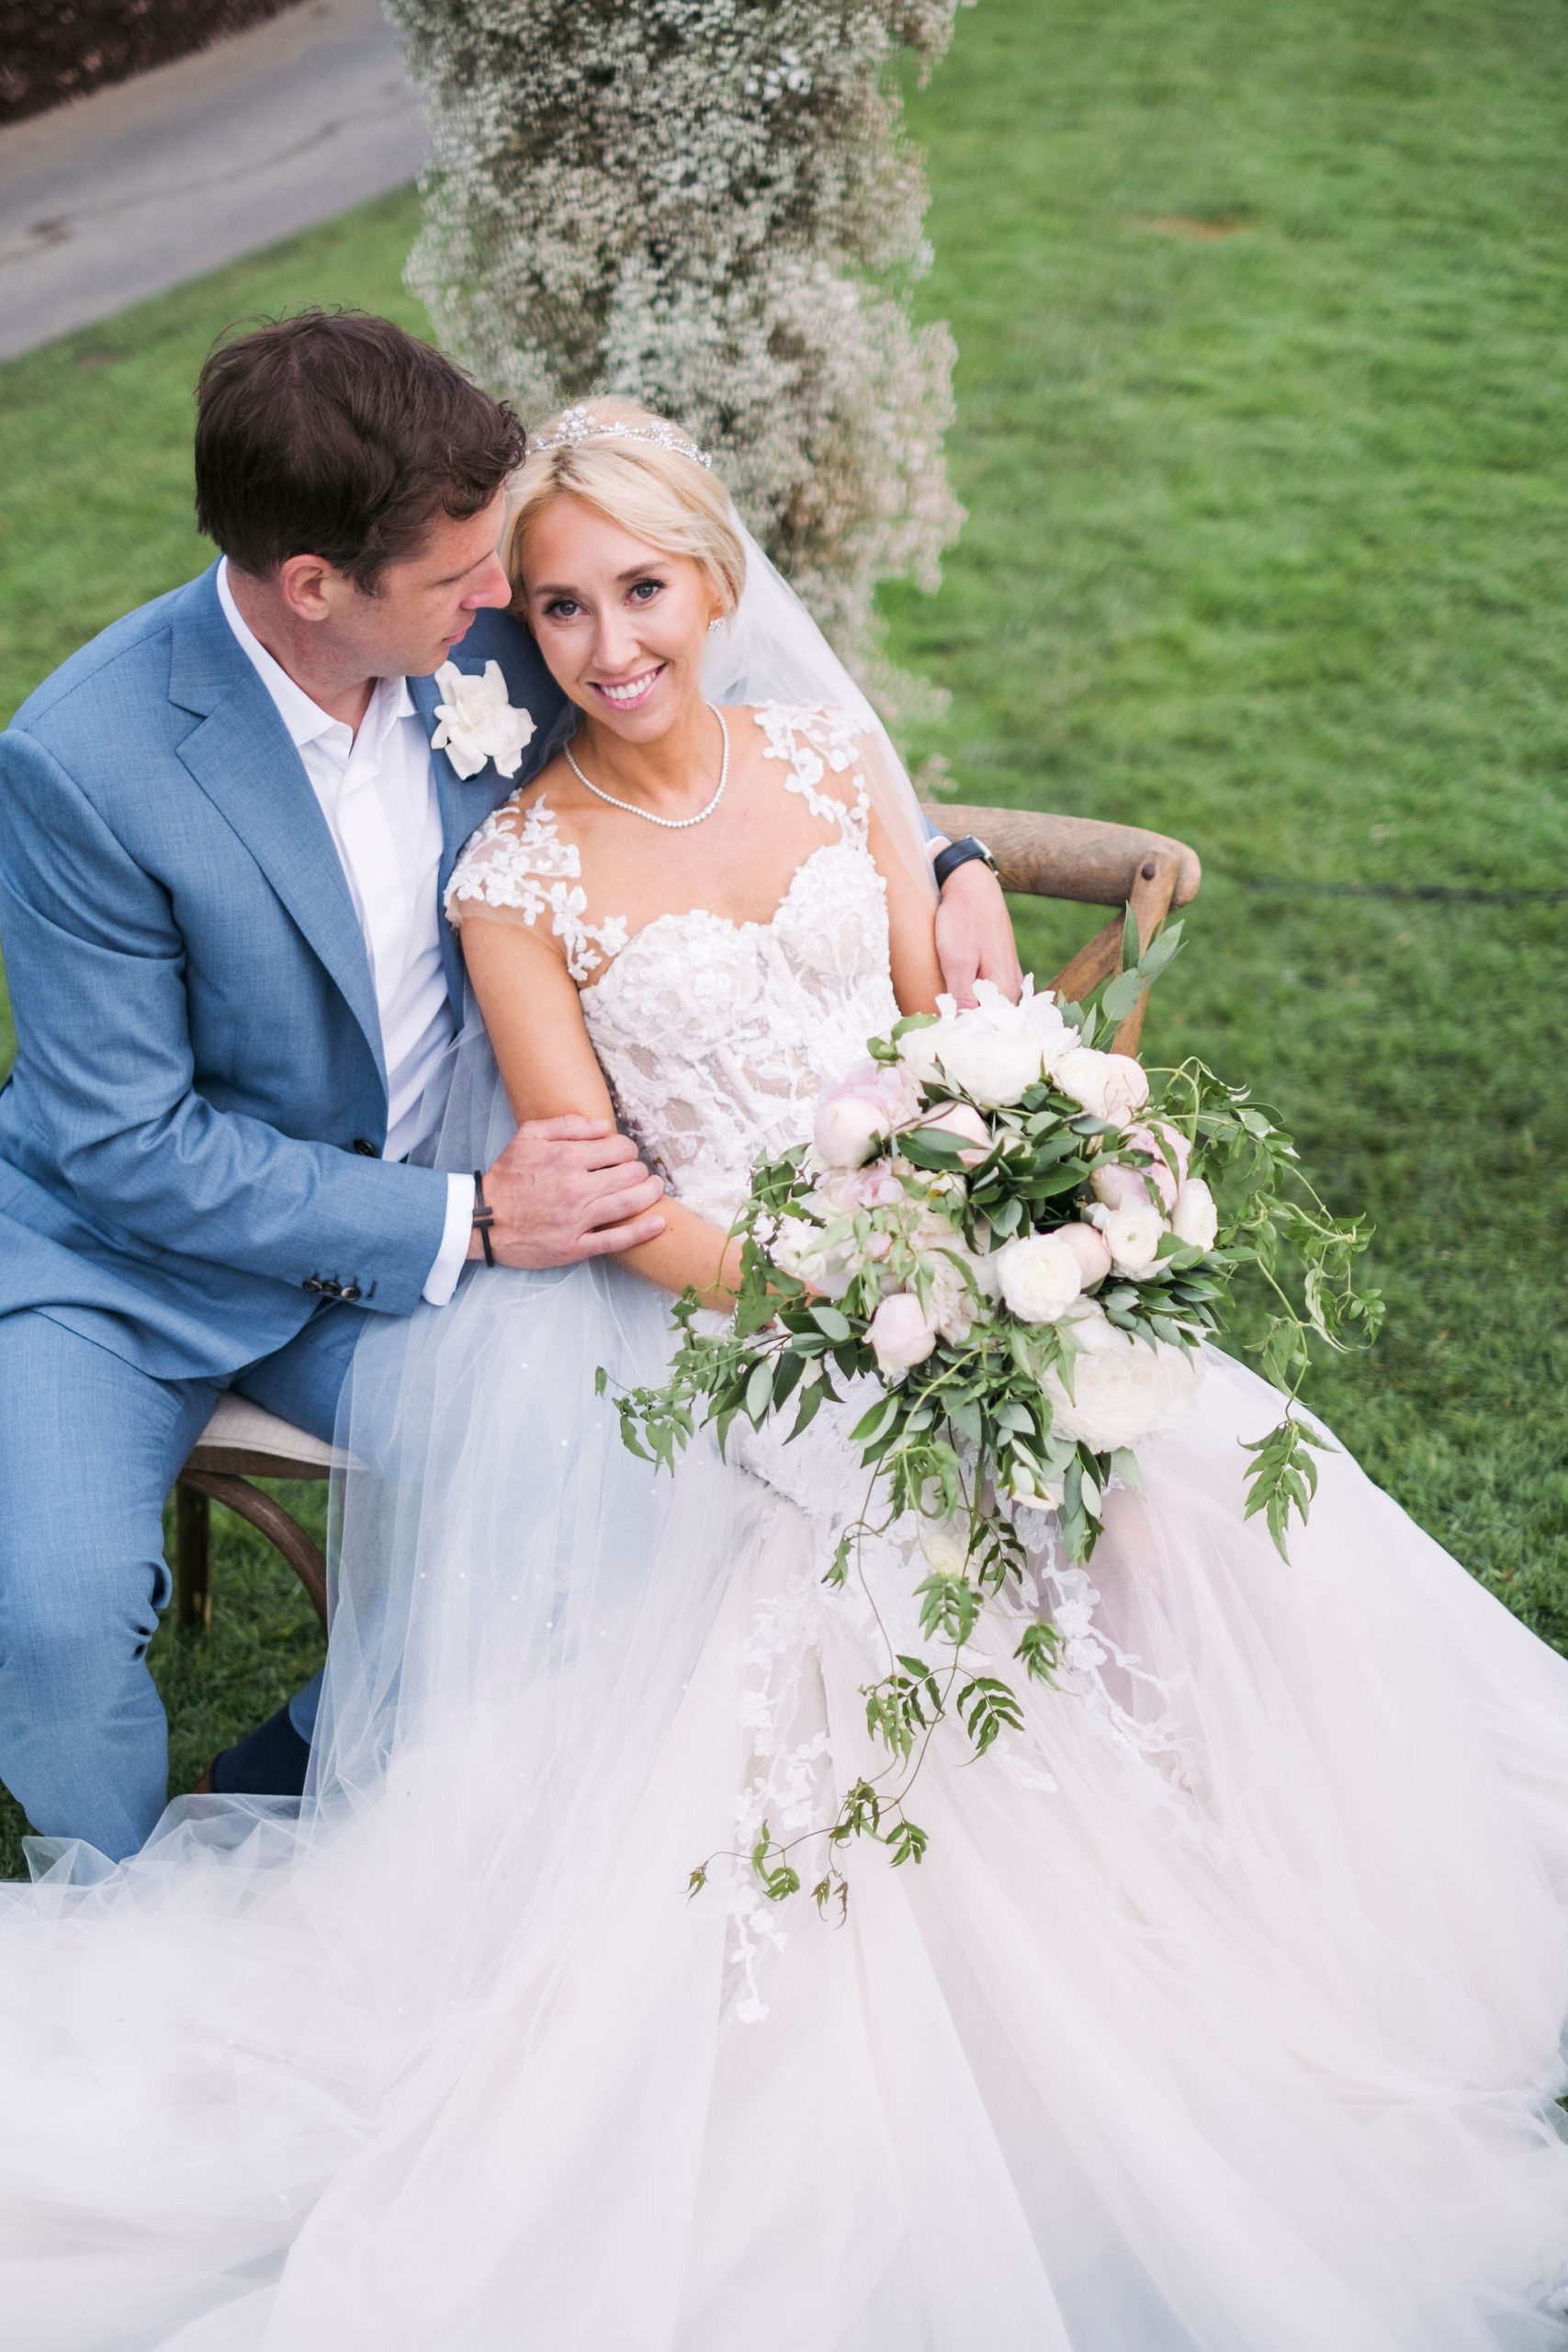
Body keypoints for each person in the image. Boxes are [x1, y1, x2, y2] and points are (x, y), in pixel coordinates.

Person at [2, 400, 1567, 2352]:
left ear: (711, 580)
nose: (559, 627)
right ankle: (148, 1889)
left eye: (608, 589)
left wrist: (981, 986)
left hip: (821, 1253)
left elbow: (894, 938)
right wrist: (854, 1292)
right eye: (533, 603)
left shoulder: (599, 649)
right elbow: (498, 1186)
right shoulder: (289, 808)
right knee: (79, 1611)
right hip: (356, 1256)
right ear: (332, 591)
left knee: (1181, 1520)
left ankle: (1276, 1926)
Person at [0, 312, 1027, 1860]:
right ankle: (114, 1930)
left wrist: (951, 862)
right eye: (465, 582)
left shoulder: (482, 618)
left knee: (622, 1486)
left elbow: (726, 721)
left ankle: (286, 1783)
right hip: (130, 1267)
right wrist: (469, 1216)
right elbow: (123, 1142)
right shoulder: (86, 762)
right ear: (313, 588)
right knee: (57, 1619)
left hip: (425, 1250)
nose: (507, 606)